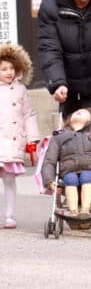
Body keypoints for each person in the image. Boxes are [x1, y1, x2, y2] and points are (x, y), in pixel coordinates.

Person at [41, 107, 91, 225]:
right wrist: (49, 180)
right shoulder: (59, 137)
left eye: (84, 112)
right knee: (70, 178)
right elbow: (49, 161)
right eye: (76, 111)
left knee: (86, 176)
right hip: (68, 176)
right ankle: (73, 212)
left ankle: (85, 210)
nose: (78, 111)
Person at [0, 44, 40, 229]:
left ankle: (10, 215)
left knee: (9, 180)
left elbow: (28, 114)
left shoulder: (21, 90)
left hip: (13, 140)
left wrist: (33, 137)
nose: (9, 72)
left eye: (11, 68)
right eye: (3, 69)